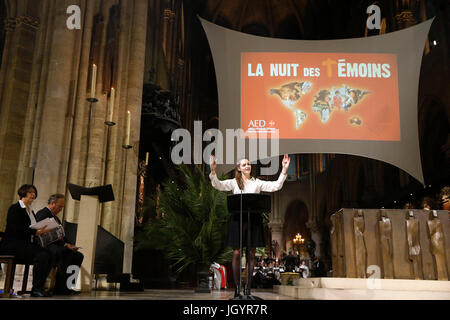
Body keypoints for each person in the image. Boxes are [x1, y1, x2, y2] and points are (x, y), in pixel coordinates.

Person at [209, 154, 290, 297]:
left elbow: (276, 186)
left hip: (253, 220)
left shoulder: (257, 183)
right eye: (244, 164)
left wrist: (283, 170)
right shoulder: (234, 182)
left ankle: (248, 288)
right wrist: (213, 171)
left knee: (251, 254)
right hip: (237, 219)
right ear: (239, 168)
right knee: (237, 253)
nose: (248, 166)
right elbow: (218, 185)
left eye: (249, 164)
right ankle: (237, 288)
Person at [0, 184, 53, 297]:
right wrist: (35, 232)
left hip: (26, 244)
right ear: (23, 193)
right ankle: (36, 289)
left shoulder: (31, 211)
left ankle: (39, 287)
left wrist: (42, 230)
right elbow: (16, 228)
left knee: (50, 254)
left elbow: (33, 227)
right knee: (42, 255)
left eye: (34, 193)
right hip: (13, 244)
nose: (33, 195)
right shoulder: (15, 208)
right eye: (30, 192)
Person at [35, 194, 83, 295]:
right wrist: (65, 245)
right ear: (52, 204)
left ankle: (68, 286)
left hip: (58, 245)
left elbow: (62, 236)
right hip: (47, 245)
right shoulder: (42, 214)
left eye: (62, 207)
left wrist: (69, 244)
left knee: (78, 256)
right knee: (66, 253)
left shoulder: (56, 218)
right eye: (60, 206)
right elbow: (43, 235)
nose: (61, 209)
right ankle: (60, 288)